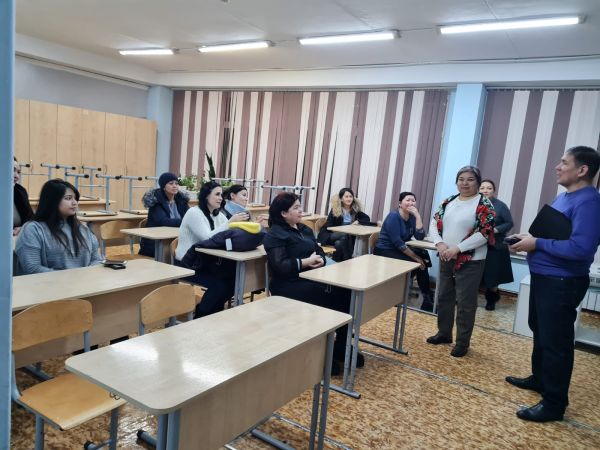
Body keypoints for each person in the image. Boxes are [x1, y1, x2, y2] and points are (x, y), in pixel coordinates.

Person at [506, 146, 600, 423]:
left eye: (564, 162)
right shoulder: (565, 198)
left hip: (562, 282)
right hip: (545, 277)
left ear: (582, 170)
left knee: (556, 342)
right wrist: (528, 238)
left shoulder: (589, 203)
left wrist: (537, 243)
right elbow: (553, 235)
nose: (557, 167)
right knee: (541, 331)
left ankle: (554, 404)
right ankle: (540, 379)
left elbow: (581, 248)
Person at [263, 192, 358, 375]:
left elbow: (319, 250)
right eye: (296, 208)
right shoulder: (275, 234)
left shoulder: (304, 229)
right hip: (288, 284)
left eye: (300, 206)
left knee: (345, 293)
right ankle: (321, 353)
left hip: (312, 278)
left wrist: (320, 259)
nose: (301, 210)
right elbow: (281, 266)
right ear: (283, 213)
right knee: (325, 296)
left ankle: (340, 346)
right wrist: (306, 262)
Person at [427, 166, 495, 357]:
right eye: (461, 179)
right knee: (444, 296)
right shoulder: (448, 201)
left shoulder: (484, 204)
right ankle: (444, 333)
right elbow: (434, 223)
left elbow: (484, 233)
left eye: (470, 179)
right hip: (446, 256)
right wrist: (440, 244)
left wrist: (457, 248)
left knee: (465, 303)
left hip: (471, 260)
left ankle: (462, 343)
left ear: (478, 183)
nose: (465, 183)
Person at [174, 180, 248, 318]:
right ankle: (201, 314)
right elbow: (207, 238)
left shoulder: (217, 214)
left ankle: (212, 313)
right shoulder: (194, 213)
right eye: (217, 194)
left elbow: (228, 233)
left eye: (221, 195)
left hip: (205, 261)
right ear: (206, 196)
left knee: (233, 280)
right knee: (219, 284)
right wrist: (230, 222)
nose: (220, 198)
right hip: (187, 263)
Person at [15, 179, 102, 274]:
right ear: (53, 201)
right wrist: (69, 278)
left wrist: (85, 276)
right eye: (68, 198)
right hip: (49, 283)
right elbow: (32, 268)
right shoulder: (33, 229)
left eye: (75, 198)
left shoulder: (83, 228)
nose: (75, 203)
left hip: (84, 282)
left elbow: (96, 260)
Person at [374, 191, 434, 311]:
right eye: (408, 200)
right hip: (385, 250)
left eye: (413, 200)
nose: (411, 203)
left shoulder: (412, 217)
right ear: (400, 203)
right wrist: (416, 258)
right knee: (417, 263)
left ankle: (427, 298)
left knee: (423, 259)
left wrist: (418, 216)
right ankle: (398, 293)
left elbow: (420, 236)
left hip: (399, 250)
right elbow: (398, 243)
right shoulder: (393, 216)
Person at [479, 179, 514, 310]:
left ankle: (491, 299)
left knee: (493, 276)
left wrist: (495, 230)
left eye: (489, 188)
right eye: (482, 188)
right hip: (477, 245)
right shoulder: (474, 204)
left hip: (495, 246)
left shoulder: (500, 206)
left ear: (493, 191)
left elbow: (509, 223)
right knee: (475, 274)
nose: (485, 191)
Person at [139, 172, 190, 257]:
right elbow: (164, 221)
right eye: (171, 183)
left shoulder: (182, 200)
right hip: (156, 243)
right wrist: (186, 222)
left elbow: (190, 216)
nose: (175, 186)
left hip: (176, 239)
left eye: (176, 183)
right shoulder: (156, 201)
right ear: (163, 186)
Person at [318, 187, 371, 261]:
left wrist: (358, 221)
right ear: (341, 199)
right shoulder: (335, 210)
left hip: (344, 238)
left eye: (350, 196)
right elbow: (329, 226)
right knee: (345, 235)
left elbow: (367, 218)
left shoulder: (354, 210)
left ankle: (336, 262)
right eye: (346, 196)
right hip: (330, 235)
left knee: (339, 243)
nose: (349, 199)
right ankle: (348, 260)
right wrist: (341, 230)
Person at [13, 157, 34, 236]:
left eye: (18, 172)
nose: (17, 176)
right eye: (12, 170)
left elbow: (31, 219)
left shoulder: (20, 191)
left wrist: (23, 228)